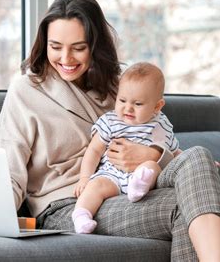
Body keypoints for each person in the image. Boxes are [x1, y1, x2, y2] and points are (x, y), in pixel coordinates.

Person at [0, 0, 220, 261]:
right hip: (69, 206)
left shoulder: (120, 89)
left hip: (129, 188)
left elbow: (157, 139)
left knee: (199, 155)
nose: (66, 58)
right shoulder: (26, 91)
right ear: (44, 44)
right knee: (200, 222)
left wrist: (153, 155)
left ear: (95, 47)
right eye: (56, 46)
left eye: (78, 47)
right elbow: (8, 172)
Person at [73, 62, 181, 234]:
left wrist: (193, 161)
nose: (128, 108)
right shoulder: (110, 121)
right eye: (122, 100)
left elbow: (176, 153)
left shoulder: (161, 125)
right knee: (95, 186)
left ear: (157, 106)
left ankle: (138, 185)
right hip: (112, 175)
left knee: (152, 166)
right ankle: (81, 216)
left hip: (143, 179)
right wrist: (85, 178)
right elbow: (93, 151)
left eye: (138, 104)